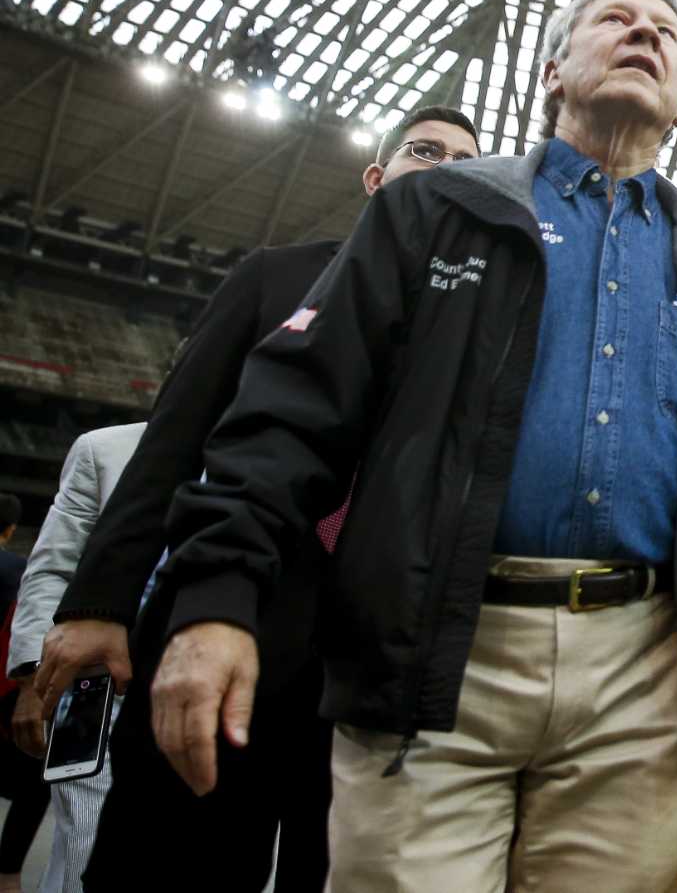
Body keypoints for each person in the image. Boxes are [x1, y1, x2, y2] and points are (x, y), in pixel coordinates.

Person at [141, 0, 677, 892]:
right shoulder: (434, 211)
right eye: (613, 20)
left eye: (665, 30)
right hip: (432, 646)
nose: (642, 34)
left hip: (645, 667)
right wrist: (217, 597)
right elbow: (293, 408)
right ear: (552, 71)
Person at [29, 104, 479, 893]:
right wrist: (98, 598)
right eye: (424, 150)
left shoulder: (478, 326)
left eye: (464, 164)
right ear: (376, 179)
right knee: (172, 862)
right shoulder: (276, 274)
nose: (443, 168)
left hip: (376, 661)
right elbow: (173, 438)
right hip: (233, 614)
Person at [6, 423, 143, 893]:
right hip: (97, 690)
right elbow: (51, 567)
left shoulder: (273, 455)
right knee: (84, 849)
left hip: (216, 695)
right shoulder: (105, 450)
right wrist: (31, 681)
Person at [0, 496, 48, 893]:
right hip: (9, 686)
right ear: (10, 530)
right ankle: (8, 874)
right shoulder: (19, 571)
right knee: (35, 784)